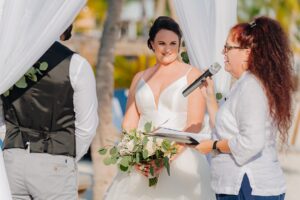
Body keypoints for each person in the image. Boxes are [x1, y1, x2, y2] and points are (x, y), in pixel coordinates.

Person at [104, 16, 215, 200]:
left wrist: (164, 160)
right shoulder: (139, 78)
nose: (168, 49)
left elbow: (195, 124)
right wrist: (136, 156)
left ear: (180, 45)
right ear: (151, 44)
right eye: (162, 43)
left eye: (173, 43)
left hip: (181, 161)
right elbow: (129, 124)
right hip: (141, 164)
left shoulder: (192, 75)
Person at [195, 16, 294, 200]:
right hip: (238, 186)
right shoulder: (243, 85)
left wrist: (213, 146)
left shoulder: (251, 87)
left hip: (249, 187)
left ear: (247, 53)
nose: (222, 52)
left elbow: (251, 143)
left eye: (228, 47)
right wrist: (210, 98)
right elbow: (225, 130)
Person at [1, 25, 98, 199]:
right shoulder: (76, 65)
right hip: (55, 162)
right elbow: (87, 127)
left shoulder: (8, 60)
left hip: (12, 160)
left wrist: (11, 140)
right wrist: (65, 158)